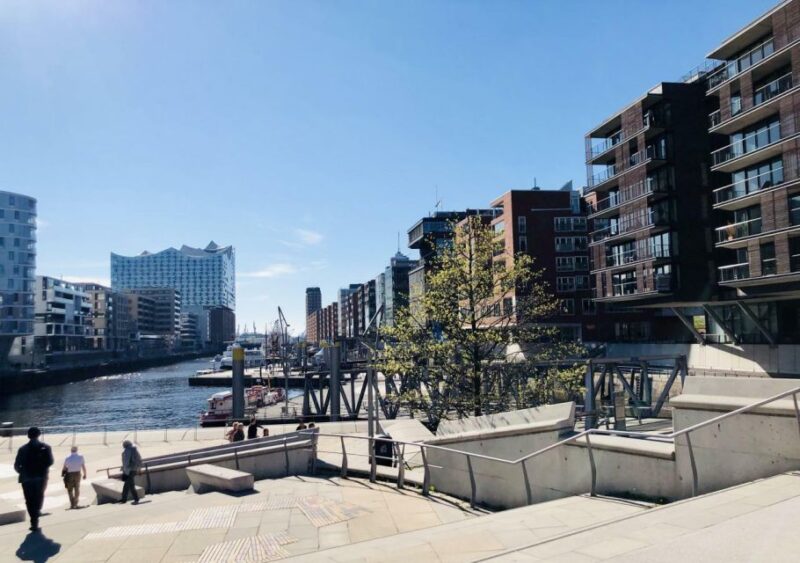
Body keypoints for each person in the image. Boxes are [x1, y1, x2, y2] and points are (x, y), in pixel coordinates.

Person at [14, 427, 53, 531]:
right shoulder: (46, 447)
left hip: (26, 478)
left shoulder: (22, 449)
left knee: (29, 500)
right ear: (39, 435)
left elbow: (17, 465)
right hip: (40, 477)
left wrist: (22, 472)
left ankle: (34, 520)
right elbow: (50, 462)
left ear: (28, 436)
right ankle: (36, 513)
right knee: (39, 497)